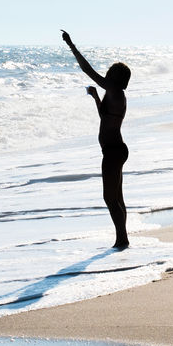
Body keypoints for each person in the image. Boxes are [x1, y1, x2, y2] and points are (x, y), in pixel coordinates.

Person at [62, 30, 131, 250]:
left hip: (113, 151)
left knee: (110, 198)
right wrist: (95, 97)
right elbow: (105, 117)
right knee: (117, 197)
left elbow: (87, 69)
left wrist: (71, 46)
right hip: (114, 149)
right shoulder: (115, 94)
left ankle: (122, 239)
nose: (106, 75)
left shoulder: (115, 90)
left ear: (115, 77)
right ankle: (122, 238)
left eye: (110, 72)